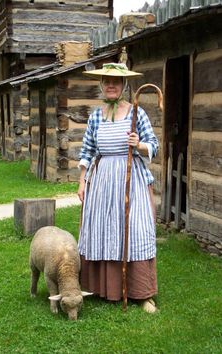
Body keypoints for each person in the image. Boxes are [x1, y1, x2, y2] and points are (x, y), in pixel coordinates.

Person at [77, 63, 159, 313]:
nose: (111, 85)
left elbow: (153, 144)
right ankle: (104, 288)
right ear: (102, 84)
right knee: (102, 228)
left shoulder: (137, 113)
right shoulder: (96, 116)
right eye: (106, 80)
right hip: (102, 181)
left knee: (135, 229)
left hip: (130, 179)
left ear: (124, 85)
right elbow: (88, 151)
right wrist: (82, 181)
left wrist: (140, 144)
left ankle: (141, 292)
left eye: (116, 81)